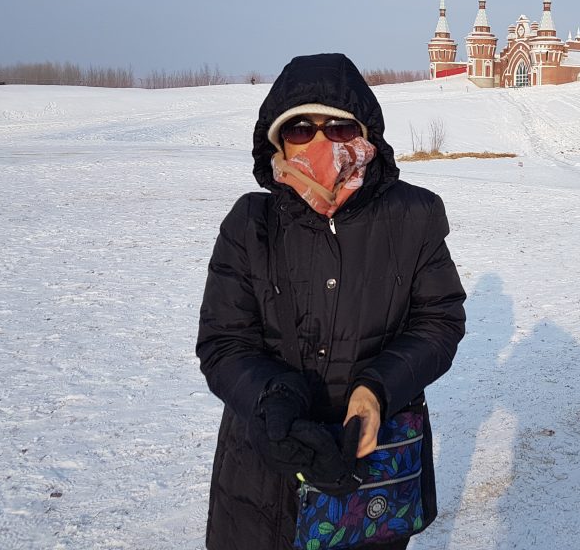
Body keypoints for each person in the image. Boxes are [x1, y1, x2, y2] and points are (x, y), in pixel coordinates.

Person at [196, 53, 467, 550]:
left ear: (365, 134)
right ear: (277, 139)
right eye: (300, 127)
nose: (320, 142)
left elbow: (439, 321)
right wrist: (272, 400)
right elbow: (223, 343)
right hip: (263, 471)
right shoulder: (250, 224)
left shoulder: (414, 215)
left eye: (338, 127)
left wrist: (377, 390)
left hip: (370, 462)